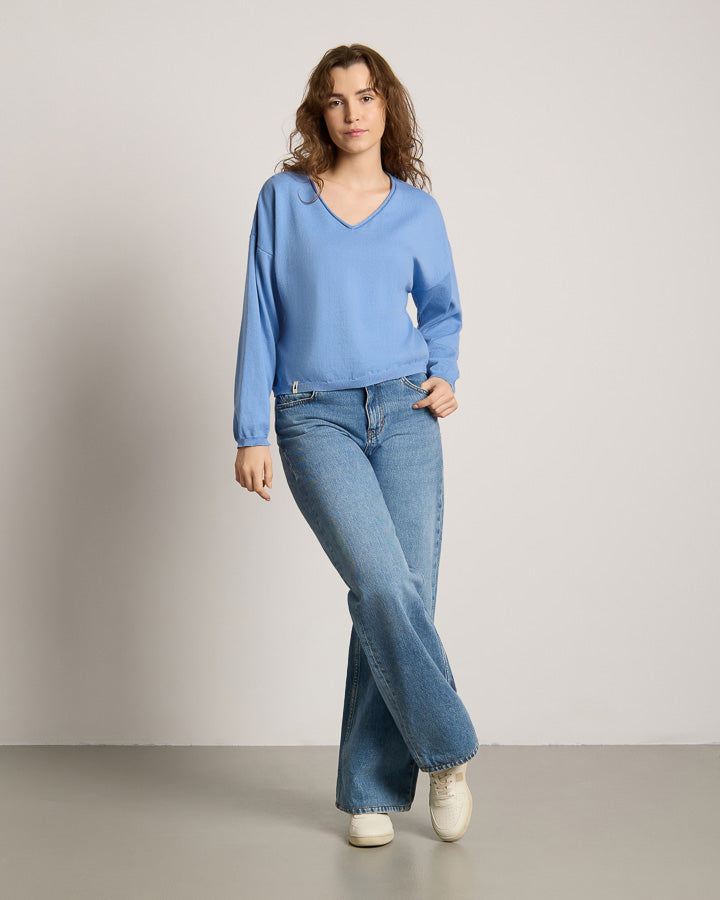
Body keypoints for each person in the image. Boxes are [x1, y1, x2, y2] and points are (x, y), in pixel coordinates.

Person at [233, 44, 479, 847]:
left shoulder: (416, 211)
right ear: (320, 111)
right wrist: (251, 429)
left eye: (366, 96)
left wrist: (444, 373)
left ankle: (370, 792)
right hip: (314, 415)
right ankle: (448, 751)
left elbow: (442, 310)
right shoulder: (284, 200)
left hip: (406, 413)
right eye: (336, 99)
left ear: (386, 105)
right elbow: (261, 314)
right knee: (381, 582)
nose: (352, 112)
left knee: (402, 596)